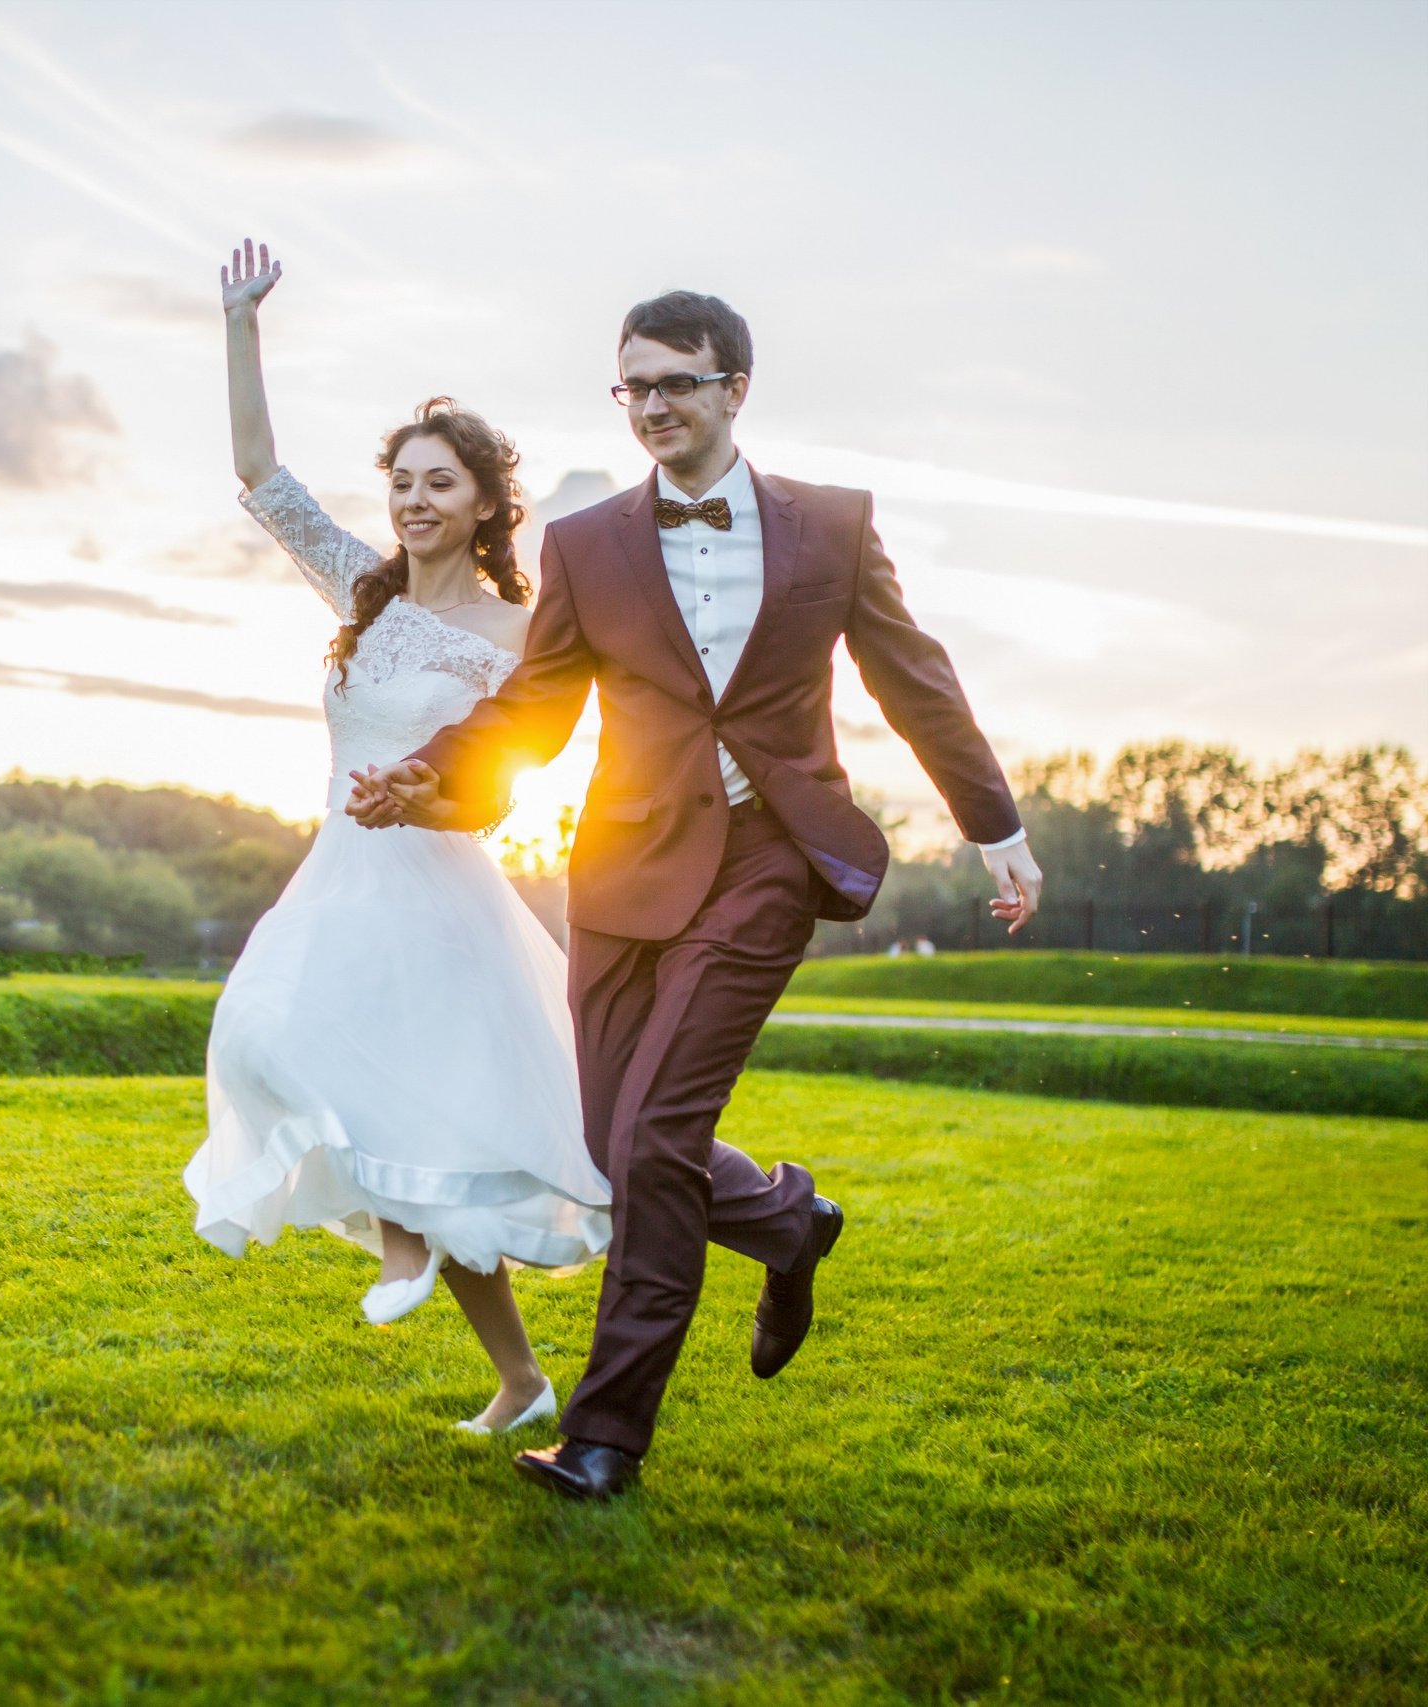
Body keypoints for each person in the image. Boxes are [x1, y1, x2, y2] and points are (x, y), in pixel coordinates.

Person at [349, 290, 1042, 1501]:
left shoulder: (833, 526)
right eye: (635, 385)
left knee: (657, 1137)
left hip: (770, 857)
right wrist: (432, 772)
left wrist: (996, 827)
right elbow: (535, 707)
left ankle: (605, 1437)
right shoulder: (585, 545)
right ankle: (785, 1223)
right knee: (609, 1144)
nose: (653, 405)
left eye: (677, 381)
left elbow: (912, 677)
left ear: (734, 389)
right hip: (623, 870)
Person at [182, 241, 611, 1437]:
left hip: (436, 892)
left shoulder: (522, 630)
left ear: (483, 504)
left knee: (438, 1132)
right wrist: (239, 324)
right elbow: (262, 478)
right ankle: (406, 1242)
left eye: (441, 483)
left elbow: (510, 770)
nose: (416, 501)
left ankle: (511, 1368)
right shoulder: (361, 591)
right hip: (337, 878)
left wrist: (428, 795)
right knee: (259, 1034)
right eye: (404, 483)